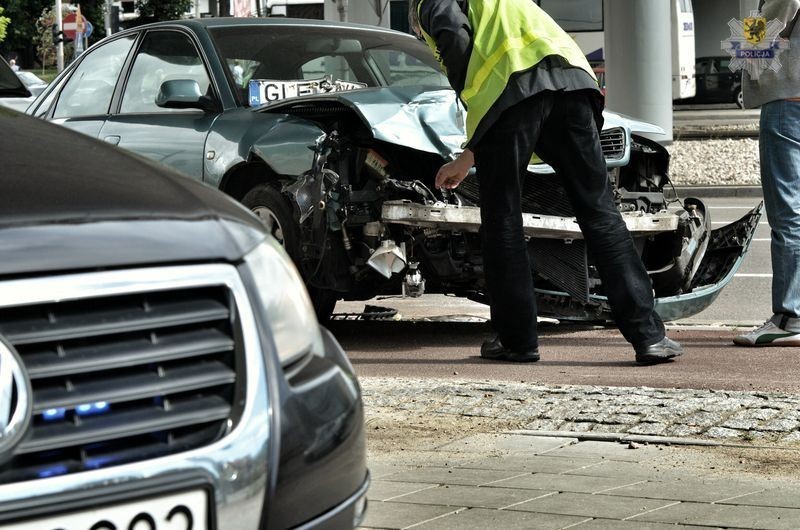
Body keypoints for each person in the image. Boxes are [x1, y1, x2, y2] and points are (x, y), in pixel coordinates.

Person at [409, 0, 683, 364]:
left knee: (502, 220)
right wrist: (470, 155)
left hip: (512, 93)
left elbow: (455, 40)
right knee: (600, 213)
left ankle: (517, 341)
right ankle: (649, 337)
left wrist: (466, 99)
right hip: (573, 84)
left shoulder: (431, 1)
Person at [735, 0, 800, 347]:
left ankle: (790, 316)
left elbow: (777, 13)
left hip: (789, 99)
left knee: (787, 210)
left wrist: (750, 61)